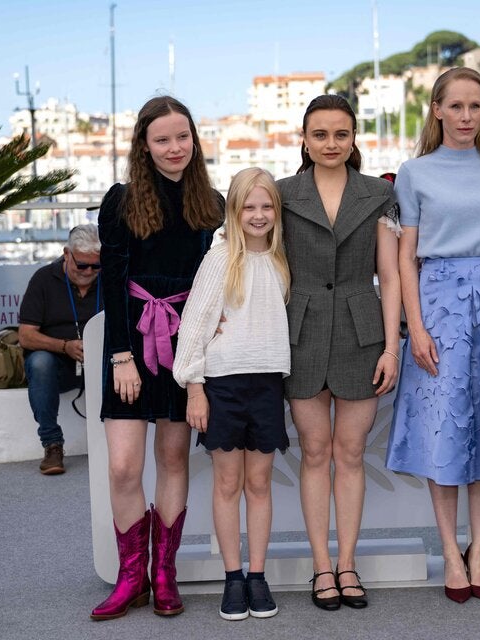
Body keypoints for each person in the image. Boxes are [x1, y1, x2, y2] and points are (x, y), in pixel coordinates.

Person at [384, 67, 480, 604]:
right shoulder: (414, 172)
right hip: (440, 310)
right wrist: (415, 328)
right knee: (446, 434)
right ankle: (450, 553)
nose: (467, 116)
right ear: (438, 110)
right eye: (458, 106)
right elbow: (404, 256)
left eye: (476, 106)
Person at [91, 96, 224, 621]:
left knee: (173, 460)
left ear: (195, 139)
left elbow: (215, 283)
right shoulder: (121, 202)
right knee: (124, 467)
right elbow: (113, 279)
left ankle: (163, 574)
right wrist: (121, 355)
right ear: (143, 146)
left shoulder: (211, 203)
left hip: (186, 346)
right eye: (163, 140)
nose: (175, 148)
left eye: (183, 137)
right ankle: (131, 579)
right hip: (130, 344)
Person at [277, 94, 401, 611]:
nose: (331, 143)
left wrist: (392, 348)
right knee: (315, 453)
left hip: (361, 334)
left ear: (355, 140)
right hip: (298, 334)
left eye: (341, 134)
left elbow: (391, 276)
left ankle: (347, 563)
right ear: (303, 139)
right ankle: (320, 566)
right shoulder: (280, 193)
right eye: (320, 134)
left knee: (350, 455)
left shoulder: (379, 194)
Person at [174, 168, 291, 621]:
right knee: (228, 483)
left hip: (267, 382)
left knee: (259, 484)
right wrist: (194, 388)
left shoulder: (281, 259)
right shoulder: (220, 257)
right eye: (249, 207)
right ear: (234, 211)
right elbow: (195, 324)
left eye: (267, 207)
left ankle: (258, 576)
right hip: (222, 384)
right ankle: (233, 577)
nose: (258, 215)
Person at [18, 224, 103, 475]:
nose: (89, 272)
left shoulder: (110, 278)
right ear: (67, 254)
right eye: (82, 265)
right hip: (60, 365)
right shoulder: (44, 279)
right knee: (40, 363)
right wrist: (64, 346)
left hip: (101, 362)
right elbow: (25, 336)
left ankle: (117, 444)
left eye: (96, 266)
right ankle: (52, 444)